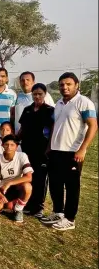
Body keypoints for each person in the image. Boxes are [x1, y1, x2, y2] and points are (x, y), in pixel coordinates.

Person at [41, 72, 97, 231]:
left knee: (72, 186)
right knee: (55, 184)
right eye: (61, 85)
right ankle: (58, 212)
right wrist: (49, 146)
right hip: (56, 150)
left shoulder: (83, 102)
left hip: (73, 152)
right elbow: (54, 125)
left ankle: (70, 218)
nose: (64, 87)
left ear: (76, 85)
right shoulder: (58, 103)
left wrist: (82, 149)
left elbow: (93, 126)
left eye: (68, 84)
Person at [18, 83, 55, 218]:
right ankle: (28, 204)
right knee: (28, 177)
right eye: (35, 94)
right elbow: (22, 129)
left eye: (40, 94)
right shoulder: (27, 110)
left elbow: (53, 131)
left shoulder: (50, 111)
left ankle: (38, 207)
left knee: (40, 178)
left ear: (45, 94)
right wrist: (14, 139)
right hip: (27, 149)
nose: (37, 96)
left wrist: (49, 147)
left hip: (42, 150)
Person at [0, 135, 33, 223]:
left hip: (17, 187)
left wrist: (10, 183)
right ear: (2, 145)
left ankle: (18, 210)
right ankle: (10, 204)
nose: (9, 147)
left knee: (28, 186)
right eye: (6, 144)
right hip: (2, 189)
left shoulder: (22, 156)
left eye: (12, 145)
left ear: (16, 146)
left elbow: (29, 177)